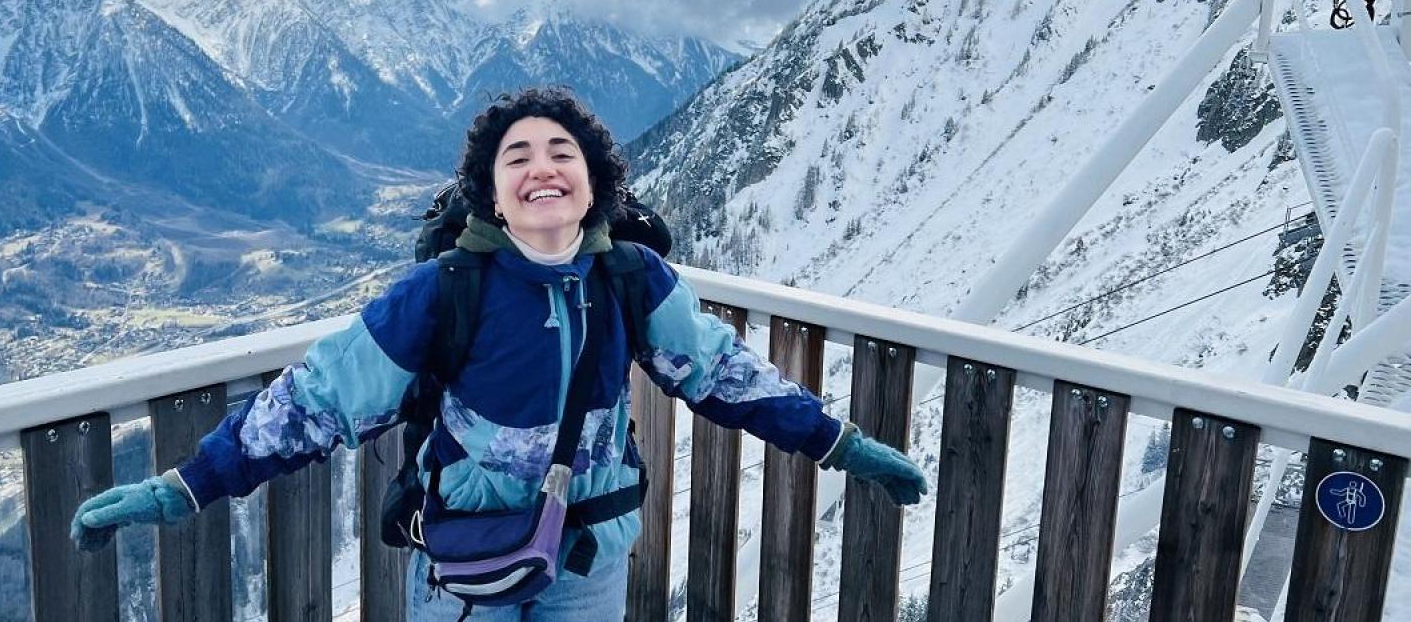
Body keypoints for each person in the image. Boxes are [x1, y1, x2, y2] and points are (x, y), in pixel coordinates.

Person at [71, 87, 928, 620]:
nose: (541, 166)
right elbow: (318, 398)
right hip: (465, 558)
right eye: (517, 156)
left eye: (562, 152)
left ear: (593, 182)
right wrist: (187, 485)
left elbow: (725, 375)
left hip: (586, 559)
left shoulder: (633, 280)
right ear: (492, 191)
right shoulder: (444, 291)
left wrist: (840, 444)